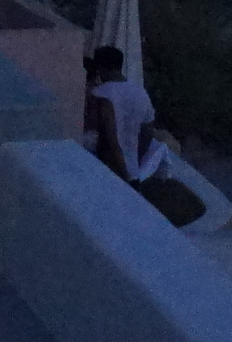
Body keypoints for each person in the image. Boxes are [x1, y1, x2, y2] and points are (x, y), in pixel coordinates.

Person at [86, 44, 201, 226]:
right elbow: (147, 132)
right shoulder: (141, 94)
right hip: (133, 168)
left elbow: (102, 133)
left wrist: (119, 165)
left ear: (100, 68)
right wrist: (134, 160)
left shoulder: (99, 94)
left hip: (105, 164)